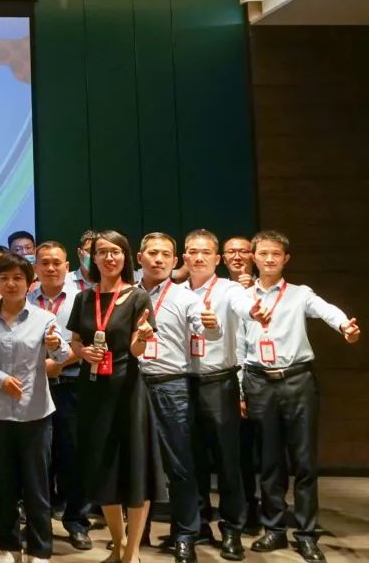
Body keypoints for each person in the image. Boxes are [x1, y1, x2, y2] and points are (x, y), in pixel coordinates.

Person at [241, 230, 359, 563]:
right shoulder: (242, 298)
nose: (269, 259)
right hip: (258, 381)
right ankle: (274, 529)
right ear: (253, 257)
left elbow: (327, 310)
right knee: (269, 461)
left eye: (276, 254)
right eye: (263, 253)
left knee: (304, 462)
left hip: (297, 380)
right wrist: (240, 388)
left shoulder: (299, 293)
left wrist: (344, 326)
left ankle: (307, 534)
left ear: (286, 259)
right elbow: (238, 346)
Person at [0, 253, 70, 563]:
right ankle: (9, 548)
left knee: (37, 487)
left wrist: (56, 347)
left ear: (29, 283)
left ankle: (40, 551)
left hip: (34, 413)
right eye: (4, 278)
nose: (11, 284)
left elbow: (63, 356)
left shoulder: (44, 318)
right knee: (2, 485)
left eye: (17, 278)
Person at [66, 229, 155, 563]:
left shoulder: (138, 297)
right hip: (93, 392)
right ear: (92, 258)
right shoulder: (83, 298)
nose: (108, 257)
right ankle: (118, 545)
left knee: (134, 469)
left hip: (127, 392)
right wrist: (83, 352)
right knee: (101, 468)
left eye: (115, 251)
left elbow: (136, 349)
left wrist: (143, 336)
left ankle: (131, 553)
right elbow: (76, 340)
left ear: (125, 257)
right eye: (101, 252)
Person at [136, 232, 222, 563]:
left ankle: (185, 534)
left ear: (175, 261)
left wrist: (212, 326)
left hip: (171, 385)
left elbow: (207, 329)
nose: (158, 259)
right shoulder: (127, 294)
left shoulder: (186, 298)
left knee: (179, 464)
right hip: (132, 386)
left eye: (165, 255)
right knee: (136, 462)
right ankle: (137, 532)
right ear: (140, 258)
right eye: (152, 253)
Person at [181, 229, 258, 560]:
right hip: (183, 383)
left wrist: (255, 311)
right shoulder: (175, 292)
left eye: (206, 252)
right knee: (191, 460)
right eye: (193, 251)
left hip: (219, 382)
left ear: (217, 258)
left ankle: (232, 530)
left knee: (228, 461)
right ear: (184, 257)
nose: (199, 257)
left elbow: (245, 306)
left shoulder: (229, 290)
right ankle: (198, 525)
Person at [26, 242, 91, 551]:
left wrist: (59, 363)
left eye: (56, 263)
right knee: (38, 458)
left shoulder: (82, 298)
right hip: (34, 387)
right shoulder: (24, 299)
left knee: (74, 456)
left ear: (67, 266)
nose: (50, 268)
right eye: (44, 263)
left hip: (72, 385)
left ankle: (77, 522)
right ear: (35, 267)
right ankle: (39, 523)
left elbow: (89, 341)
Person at [222, 235, 261, 534]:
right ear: (222, 258)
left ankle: (256, 510)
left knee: (255, 451)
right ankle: (238, 511)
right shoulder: (219, 290)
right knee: (232, 451)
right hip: (227, 377)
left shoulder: (266, 290)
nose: (237, 257)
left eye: (243, 251)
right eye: (231, 252)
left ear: (253, 256)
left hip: (259, 377)